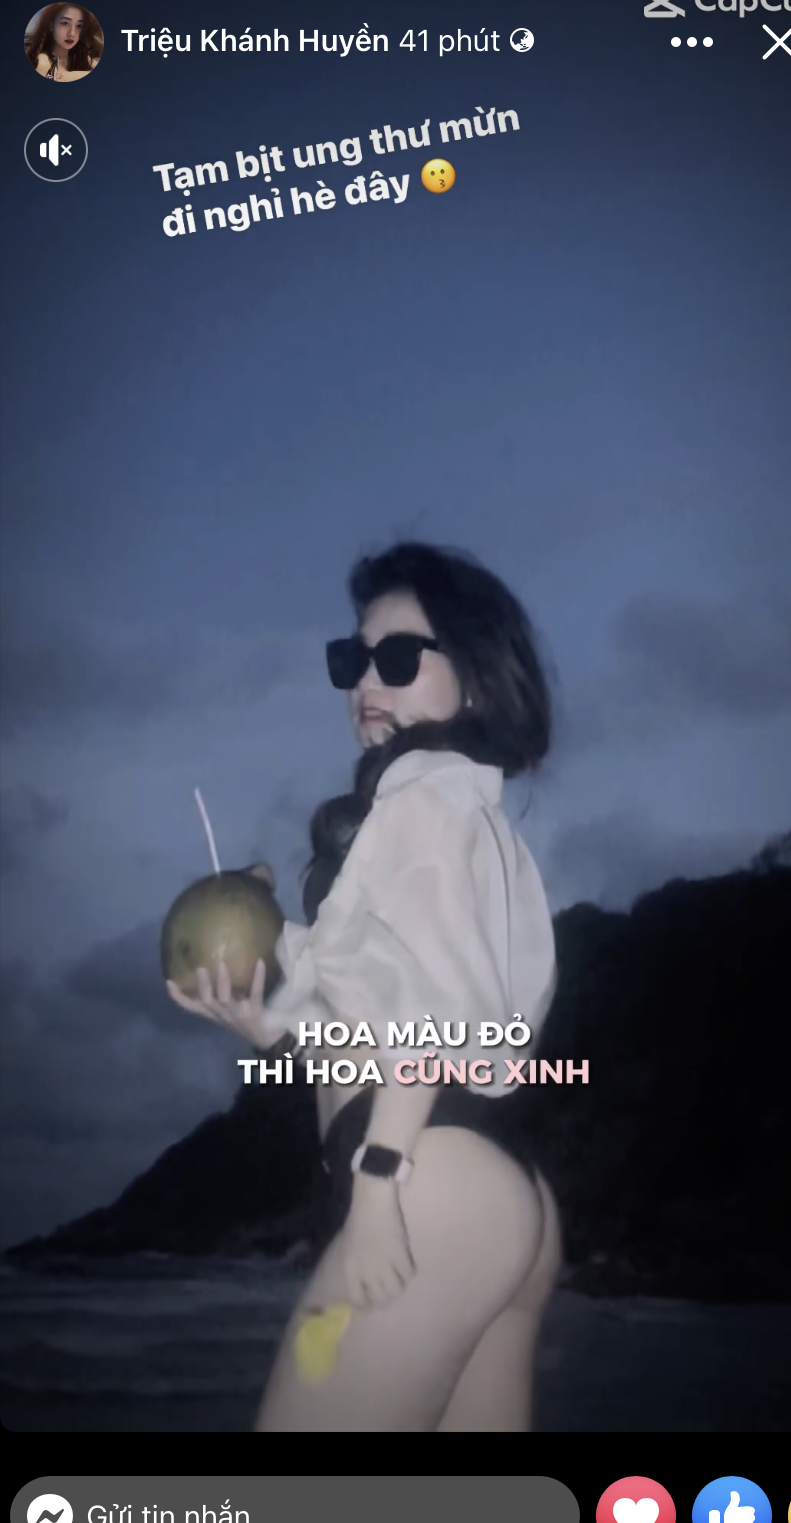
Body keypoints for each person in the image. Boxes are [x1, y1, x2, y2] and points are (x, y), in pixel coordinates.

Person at [167, 541, 563, 1431]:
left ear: (477, 678)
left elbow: (436, 1018)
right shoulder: (460, 809)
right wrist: (271, 1026)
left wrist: (380, 1181)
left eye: (399, 656)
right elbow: (386, 1017)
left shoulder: (423, 799)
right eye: (353, 658)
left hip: (422, 1179)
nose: (365, 682)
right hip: (485, 1186)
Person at [25, 3, 103, 80]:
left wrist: (72, 76)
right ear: (51, 25)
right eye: (65, 23)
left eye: (79, 26)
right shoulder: (43, 62)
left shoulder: (80, 56)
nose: (72, 33)